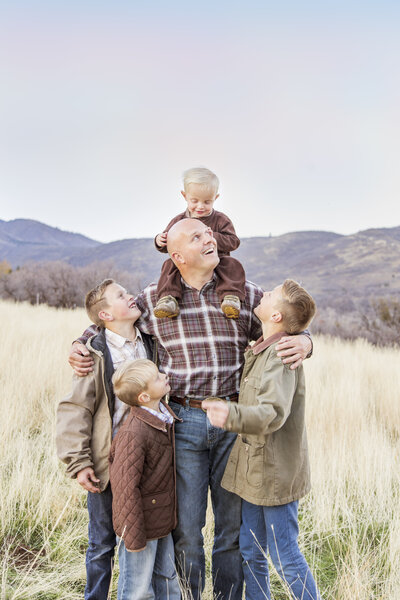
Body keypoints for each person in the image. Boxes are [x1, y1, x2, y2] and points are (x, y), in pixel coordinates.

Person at [69, 219, 312, 600]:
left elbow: (287, 318)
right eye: (197, 236)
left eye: (209, 232)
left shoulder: (243, 294)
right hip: (182, 423)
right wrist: (79, 342)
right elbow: (111, 324)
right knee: (186, 529)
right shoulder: (153, 300)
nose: (210, 237)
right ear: (177, 255)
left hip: (236, 425)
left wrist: (308, 342)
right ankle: (189, 594)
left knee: (233, 530)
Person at [202, 279, 321, 600]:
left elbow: (271, 414)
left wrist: (231, 415)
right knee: (251, 550)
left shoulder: (280, 356)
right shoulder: (263, 348)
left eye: (271, 295)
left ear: (277, 317)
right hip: (254, 471)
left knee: (286, 557)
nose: (263, 294)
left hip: (276, 474)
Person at [56, 279, 155, 600]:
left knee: (138, 537)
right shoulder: (94, 353)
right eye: (121, 296)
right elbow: (75, 409)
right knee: (101, 543)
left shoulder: (151, 342)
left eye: (128, 293)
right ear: (105, 314)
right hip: (107, 463)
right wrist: (79, 462)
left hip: (148, 463)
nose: (131, 297)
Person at [109, 358, 181, 600]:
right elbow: (125, 489)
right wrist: (133, 536)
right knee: (138, 590)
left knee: (167, 581)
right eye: (157, 378)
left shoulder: (163, 418)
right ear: (143, 397)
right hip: (139, 528)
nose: (164, 376)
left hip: (160, 520)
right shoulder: (134, 433)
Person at [153, 166, 246, 319]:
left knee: (232, 264)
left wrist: (208, 236)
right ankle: (168, 299)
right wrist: (159, 241)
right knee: (169, 265)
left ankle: (231, 297)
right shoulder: (179, 222)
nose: (200, 206)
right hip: (188, 265)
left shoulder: (221, 220)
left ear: (216, 198)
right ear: (184, 196)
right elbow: (170, 247)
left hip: (217, 260)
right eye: (194, 201)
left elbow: (233, 241)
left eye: (207, 202)